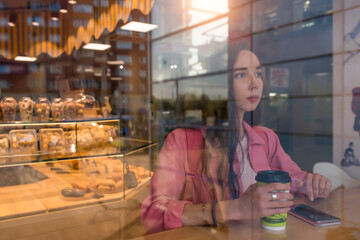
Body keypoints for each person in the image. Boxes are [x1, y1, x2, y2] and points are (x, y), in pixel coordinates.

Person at [141, 49, 332, 234]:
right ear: (219, 85)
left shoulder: (266, 139)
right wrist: (234, 209)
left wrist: (312, 184)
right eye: (241, 75)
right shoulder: (183, 141)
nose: (254, 83)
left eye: (257, 73)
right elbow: (154, 214)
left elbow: (294, 181)